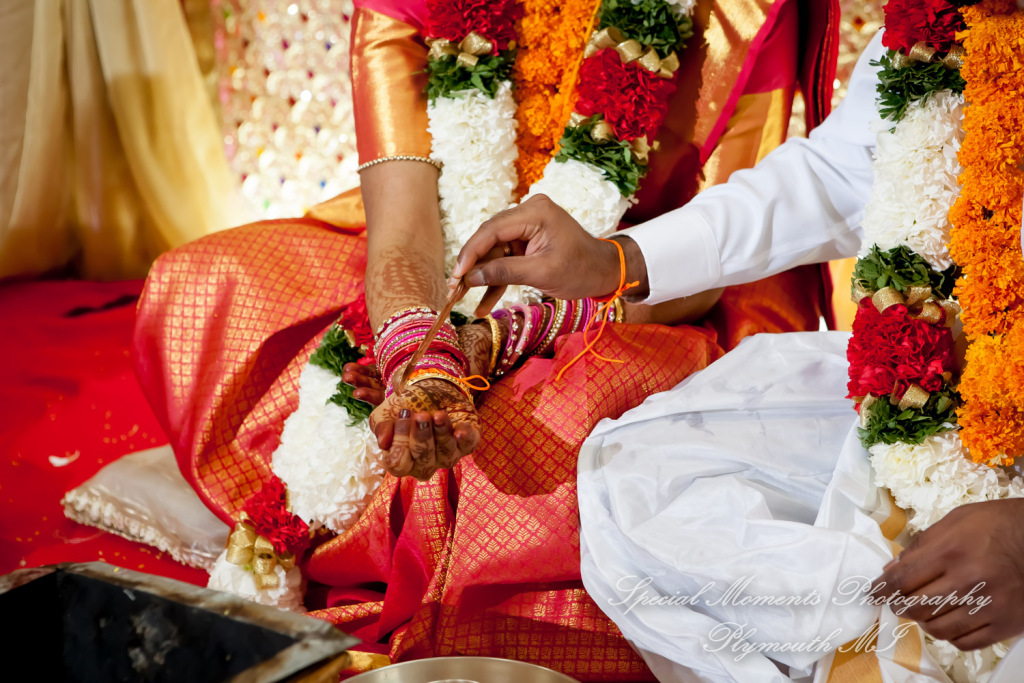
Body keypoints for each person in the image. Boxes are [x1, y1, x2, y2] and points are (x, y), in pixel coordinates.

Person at [133, 0, 841, 676]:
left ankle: (441, 546)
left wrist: (508, 332)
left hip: (625, 301)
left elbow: (712, 255)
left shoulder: (738, 16)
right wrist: (420, 350)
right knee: (199, 286)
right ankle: (384, 518)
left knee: (536, 437)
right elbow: (402, 230)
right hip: (438, 264)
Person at [452, 30, 1024, 681]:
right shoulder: (954, 23)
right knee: (636, 480)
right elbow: (842, 171)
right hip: (938, 397)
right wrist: (613, 260)